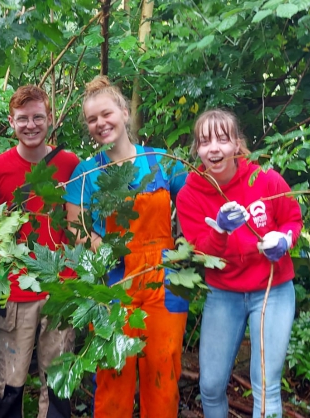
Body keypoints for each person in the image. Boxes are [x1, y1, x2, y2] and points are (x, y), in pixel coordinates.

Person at [64, 75, 189, 418]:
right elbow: (79, 231)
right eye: (92, 120)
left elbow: (195, 207)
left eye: (106, 114)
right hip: (111, 284)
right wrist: (101, 247)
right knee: (112, 377)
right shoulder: (85, 174)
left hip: (165, 282)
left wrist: (188, 244)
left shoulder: (163, 161)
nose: (100, 124)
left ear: (123, 112)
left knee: (163, 376)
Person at [176, 108, 303, 418]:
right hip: (223, 292)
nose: (214, 148)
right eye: (205, 142)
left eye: (222, 138)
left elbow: (292, 218)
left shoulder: (265, 178)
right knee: (210, 385)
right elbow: (202, 252)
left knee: (266, 386)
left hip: (271, 290)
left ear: (237, 145)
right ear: (198, 151)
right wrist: (219, 230)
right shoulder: (190, 194)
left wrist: (284, 239)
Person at [0, 85, 80, 418]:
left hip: (60, 285)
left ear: (50, 118)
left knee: (59, 376)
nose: (31, 125)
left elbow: (78, 227)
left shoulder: (70, 164)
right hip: (14, 290)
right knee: (10, 379)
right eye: (23, 119)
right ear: (11, 121)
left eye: (38, 117)